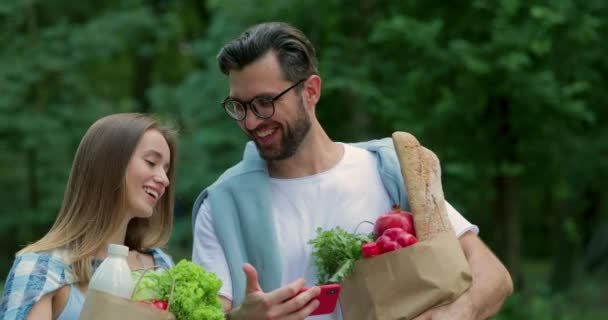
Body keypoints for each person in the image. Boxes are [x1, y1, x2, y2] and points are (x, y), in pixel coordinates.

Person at [192, 22, 513, 320]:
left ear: (311, 91)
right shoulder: (221, 207)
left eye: (264, 102)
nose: (250, 122)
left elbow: (493, 275)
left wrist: (458, 312)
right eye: (239, 106)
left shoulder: (389, 171)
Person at [0, 113, 177, 320]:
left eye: (166, 170)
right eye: (151, 162)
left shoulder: (159, 267)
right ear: (109, 164)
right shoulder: (41, 269)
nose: (164, 179)